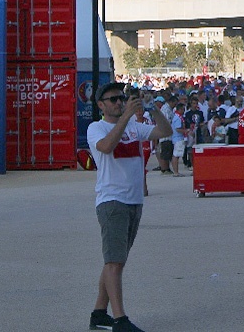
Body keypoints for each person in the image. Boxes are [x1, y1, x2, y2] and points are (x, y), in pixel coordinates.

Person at [87, 82, 172, 332]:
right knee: (114, 261)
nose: (118, 102)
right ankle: (120, 319)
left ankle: (99, 313)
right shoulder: (96, 127)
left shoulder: (134, 126)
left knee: (117, 260)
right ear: (101, 105)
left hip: (134, 200)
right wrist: (125, 117)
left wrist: (152, 108)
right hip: (112, 200)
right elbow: (105, 147)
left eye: (121, 98)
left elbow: (163, 132)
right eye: (113, 99)